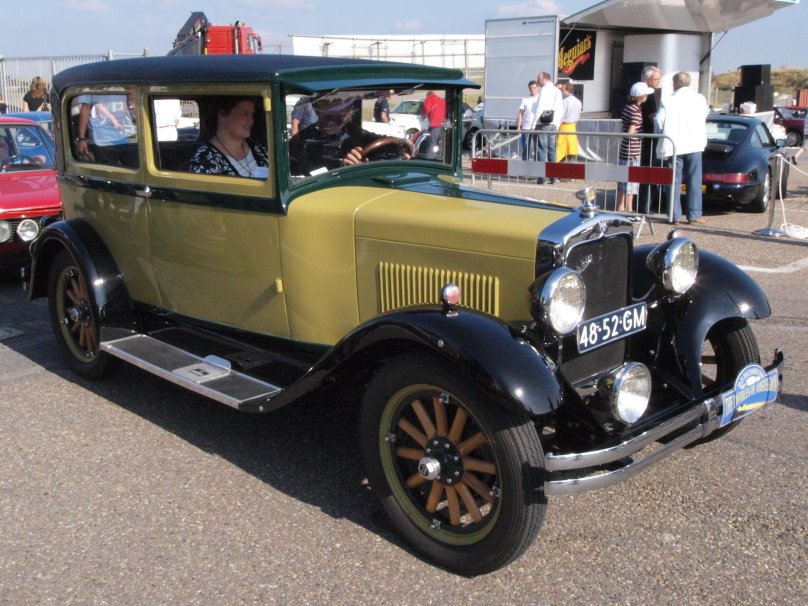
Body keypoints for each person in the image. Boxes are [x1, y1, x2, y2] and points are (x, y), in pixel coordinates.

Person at [655, 71, 709, 224]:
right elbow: (705, 115)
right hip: (695, 143)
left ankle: (674, 215)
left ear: (675, 84)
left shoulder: (667, 100)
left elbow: (659, 122)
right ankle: (694, 214)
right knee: (694, 180)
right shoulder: (700, 99)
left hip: (674, 145)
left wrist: (659, 134)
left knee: (673, 181)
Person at [191, 97, 268, 178]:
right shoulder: (205, 160)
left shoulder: (258, 147)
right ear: (222, 114)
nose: (251, 120)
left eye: (252, 114)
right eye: (245, 114)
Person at [617, 82, 654, 213]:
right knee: (631, 181)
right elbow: (631, 132)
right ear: (642, 96)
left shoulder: (627, 107)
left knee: (622, 179)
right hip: (633, 149)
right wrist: (637, 136)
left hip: (624, 148)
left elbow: (624, 128)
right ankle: (629, 209)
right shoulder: (637, 112)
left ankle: (620, 206)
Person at [75, 92, 139, 165]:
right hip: (102, 138)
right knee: (109, 173)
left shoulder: (124, 81)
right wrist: (81, 138)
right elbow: (86, 107)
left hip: (127, 134)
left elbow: (133, 101)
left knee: (135, 169)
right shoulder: (88, 83)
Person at [638, 66, 662, 213]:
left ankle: (646, 204)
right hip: (647, 139)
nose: (658, 82)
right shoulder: (648, 96)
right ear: (647, 80)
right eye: (656, 79)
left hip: (646, 138)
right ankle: (644, 206)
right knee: (647, 171)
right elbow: (653, 118)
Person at [533, 71, 563, 184]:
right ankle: (553, 177)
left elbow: (540, 108)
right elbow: (560, 109)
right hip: (554, 124)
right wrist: (557, 124)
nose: (538, 82)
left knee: (541, 150)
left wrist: (533, 124)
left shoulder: (544, 90)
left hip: (543, 123)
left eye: (539, 80)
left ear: (545, 79)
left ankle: (542, 177)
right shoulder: (557, 91)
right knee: (552, 150)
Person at [556, 82, 582, 163]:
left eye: (563, 90)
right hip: (573, 128)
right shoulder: (578, 102)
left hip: (564, 127)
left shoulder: (565, 101)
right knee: (572, 151)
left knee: (561, 151)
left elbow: (560, 116)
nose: (562, 92)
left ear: (567, 90)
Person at [516, 80, 539, 161]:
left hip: (537, 127)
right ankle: (525, 168)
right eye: (531, 88)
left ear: (537, 88)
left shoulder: (540, 99)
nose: (532, 90)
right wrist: (519, 127)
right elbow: (520, 113)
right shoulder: (525, 99)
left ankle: (537, 167)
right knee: (525, 148)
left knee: (537, 148)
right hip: (526, 127)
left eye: (534, 88)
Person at [421, 91, 446, 160]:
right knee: (441, 143)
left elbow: (426, 109)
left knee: (432, 143)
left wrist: (423, 114)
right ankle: (440, 158)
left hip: (435, 124)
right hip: (444, 124)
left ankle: (429, 159)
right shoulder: (440, 100)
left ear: (427, 95)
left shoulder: (429, 99)